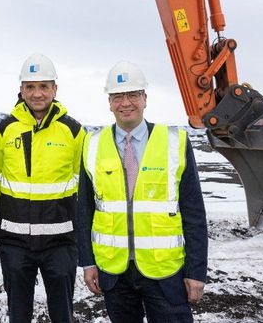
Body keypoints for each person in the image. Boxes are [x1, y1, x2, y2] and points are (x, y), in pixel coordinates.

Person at [77, 60, 208, 323]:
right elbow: (85, 210)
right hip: (114, 271)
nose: (125, 103)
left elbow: (193, 212)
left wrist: (196, 271)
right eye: (118, 96)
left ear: (145, 98)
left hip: (165, 272)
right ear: (109, 102)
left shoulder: (174, 143)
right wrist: (88, 262)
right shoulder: (92, 145)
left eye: (133, 95)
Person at [0, 53, 85, 323]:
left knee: (62, 314)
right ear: (21, 90)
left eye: (44, 86)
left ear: (55, 89)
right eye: (30, 87)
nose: (37, 93)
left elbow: (85, 191)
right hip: (14, 243)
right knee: (18, 314)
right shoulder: (2, 132)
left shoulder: (74, 132)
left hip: (61, 243)